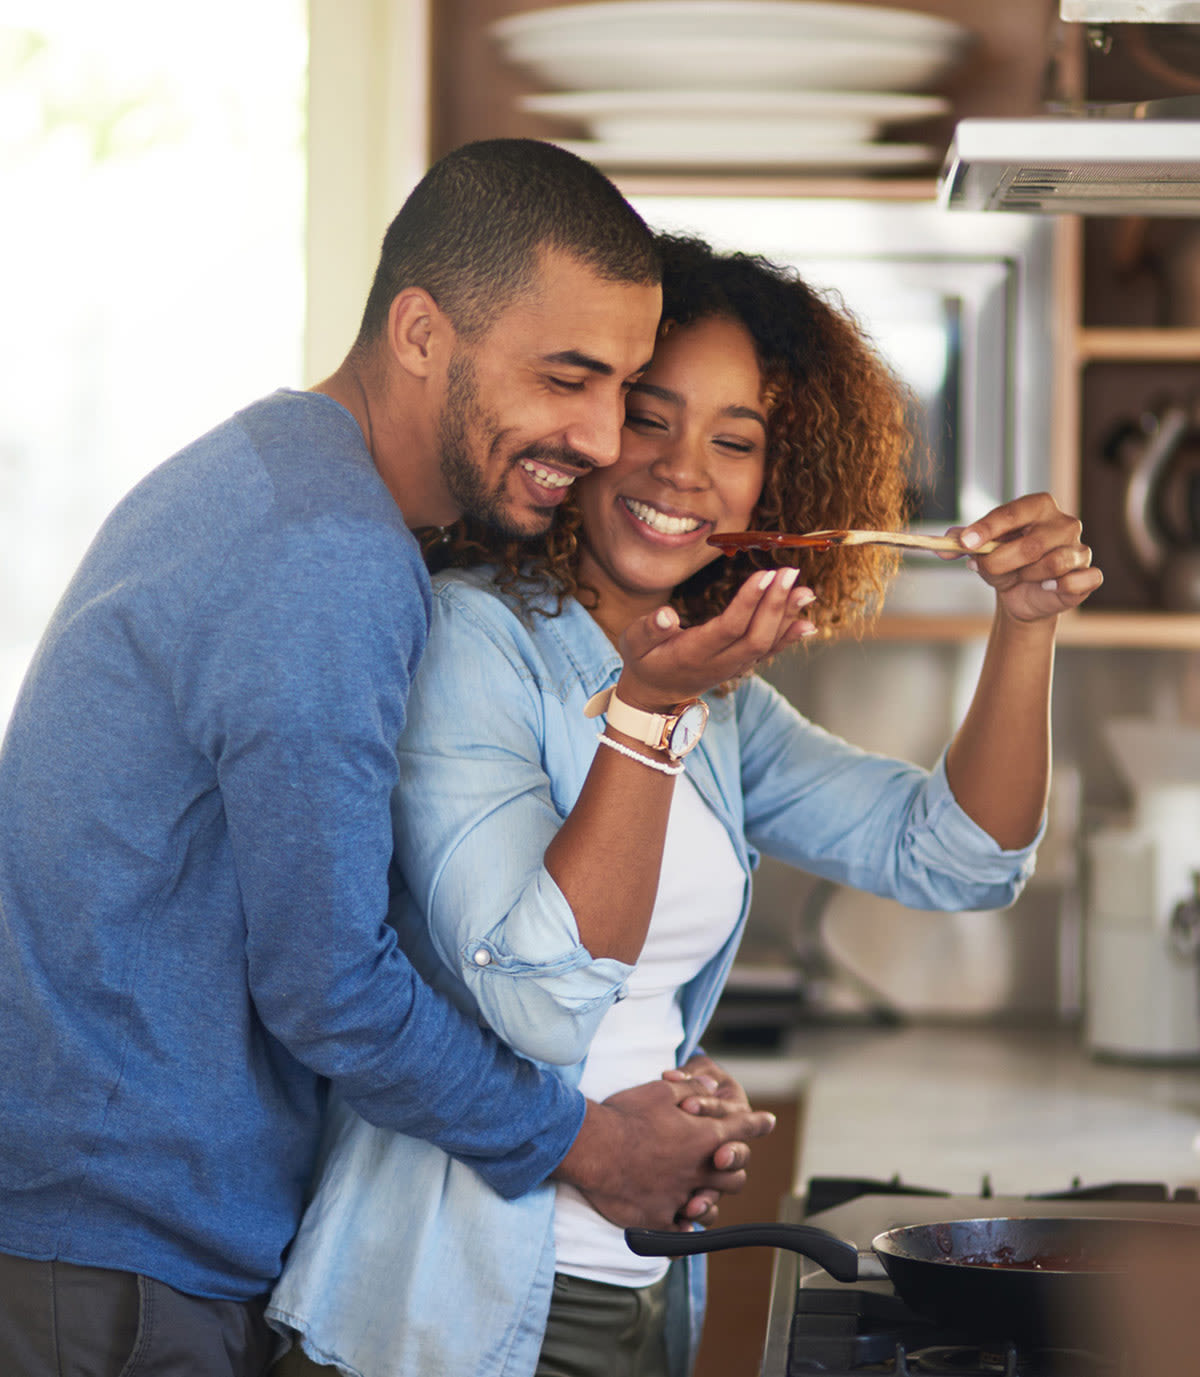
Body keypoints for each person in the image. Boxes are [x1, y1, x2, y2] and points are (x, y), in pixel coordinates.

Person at [266, 231, 1103, 1377]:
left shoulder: (715, 697)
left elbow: (958, 858)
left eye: (736, 440)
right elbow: (542, 1002)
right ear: (588, 428)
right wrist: (649, 717)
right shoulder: (479, 640)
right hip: (453, 1310)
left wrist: (1027, 623)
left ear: (778, 481)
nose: (682, 471)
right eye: (650, 416)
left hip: (644, 1293)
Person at [0, 143, 777, 1377]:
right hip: (122, 1269)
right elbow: (331, 989)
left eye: (618, 387)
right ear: (420, 332)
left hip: (111, 1233)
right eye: (566, 378)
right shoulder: (330, 561)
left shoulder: (280, 478)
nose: (595, 436)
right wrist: (584, 1142)